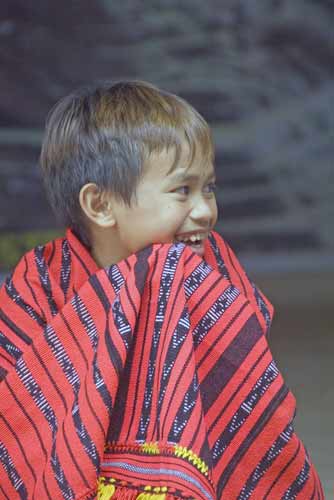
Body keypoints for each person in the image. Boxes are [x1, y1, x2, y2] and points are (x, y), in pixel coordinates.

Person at [0, 81, 323, 500]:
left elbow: (245, 413)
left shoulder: (208, 274)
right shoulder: (37, 287)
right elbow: (19, 429)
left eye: (209, 188)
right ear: (100, 205)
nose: (206, 211)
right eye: (182, 191)